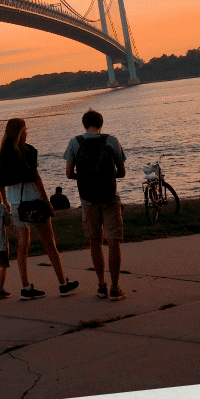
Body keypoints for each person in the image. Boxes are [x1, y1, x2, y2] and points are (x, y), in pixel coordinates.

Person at [0, 118, 78, 300]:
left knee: (22, 245)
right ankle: (62, 283)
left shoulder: (4, 153)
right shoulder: (28, 151)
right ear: (20, 131)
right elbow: (36, 179)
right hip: (34, 201)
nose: (28, 131)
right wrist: (48, 203)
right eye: (26, 128)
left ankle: (25, 287)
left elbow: (1, 181)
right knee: (49, 243)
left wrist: (6, 202)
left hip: (16, 203)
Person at [65, 109, 127, 301]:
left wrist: (84, 177)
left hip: (87, 199)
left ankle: (101, 286)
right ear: (101, 123)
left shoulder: (75, 142)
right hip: (110, 197)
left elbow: (68, 174)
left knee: (95, 240)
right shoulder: (112, 141)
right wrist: (108, 176)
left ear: (84, 124)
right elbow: (122, 172)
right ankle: (116, 288)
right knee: (113, 240)